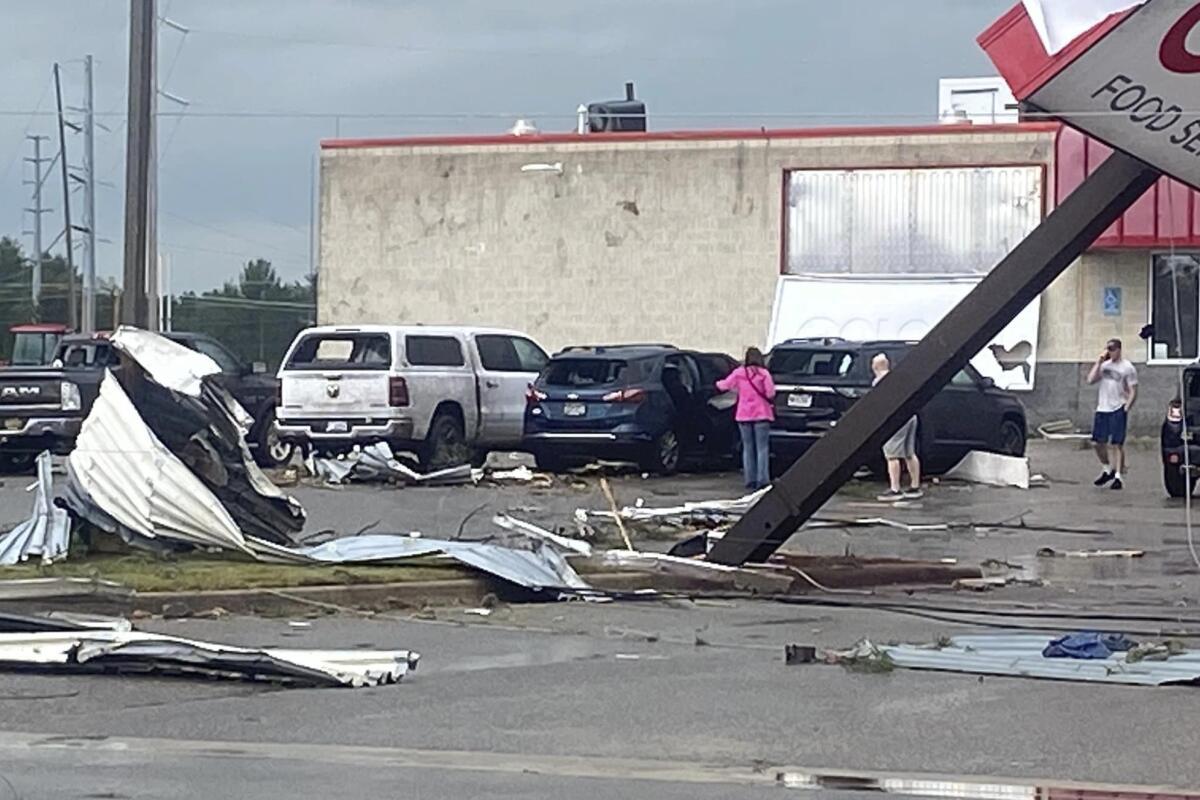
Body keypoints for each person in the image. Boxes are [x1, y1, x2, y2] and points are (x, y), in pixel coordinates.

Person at [716, 347, 777, 490]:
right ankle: (763, 479)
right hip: (762, 414)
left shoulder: (739, 373)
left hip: (743, 414)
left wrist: (715, 383)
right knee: (762, 448)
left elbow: (724, 385)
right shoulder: (764, 374)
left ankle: (750, 479)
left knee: (748, 447)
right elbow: (770, 393)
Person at [871, 354, 923, 502]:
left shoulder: (879, 382)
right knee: (909, 453)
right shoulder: (899, 379)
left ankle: (895, 489)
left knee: (892, 455)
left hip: (894, 420)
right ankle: (915, 487)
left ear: (874, 367)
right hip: (911, 416)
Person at [1087, 337, 1138, 490]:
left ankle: (1118, 477)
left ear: (1119, 350)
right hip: (1103, 408)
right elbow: (1090, 380)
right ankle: (1106, 469)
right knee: (1097, 442)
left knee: (1116, 443)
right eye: (1108, 349)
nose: (1110, 352)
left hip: (1118, 407)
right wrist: (1099, 361)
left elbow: (1133, 389)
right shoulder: (1104, 366)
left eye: (1113, 349)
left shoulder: (1127, 367)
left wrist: (1127, 406)